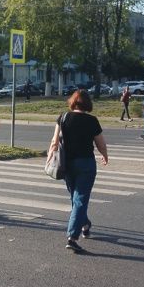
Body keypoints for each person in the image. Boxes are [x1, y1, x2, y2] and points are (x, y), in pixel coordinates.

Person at [48, 90, 108, 253]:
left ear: (72, 102)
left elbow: (54, 141)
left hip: (67, 164)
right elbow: (100, 143)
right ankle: (72, 237)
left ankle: (85, 224)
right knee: (80, 198)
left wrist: (50, 156)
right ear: (87, 104)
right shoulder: (92, 120)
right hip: (86, 164)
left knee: (75, 198)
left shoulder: (63, 117)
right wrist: (104, 155)